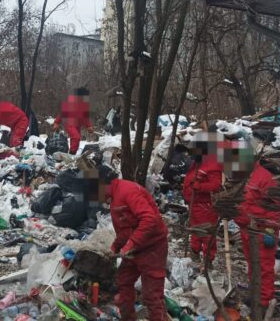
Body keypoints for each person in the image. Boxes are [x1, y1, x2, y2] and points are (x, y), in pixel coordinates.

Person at [99, 164, 168, 321]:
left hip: (153, 247)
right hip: (135, 248)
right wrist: (115, 246)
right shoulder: (115, 196)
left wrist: (131, 244)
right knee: (123, 281)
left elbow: (149, 219)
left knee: (151, 295)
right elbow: (126, 227)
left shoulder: (127, 192)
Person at [234, 156, 280, 311]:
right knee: (252, 264)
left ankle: (264, 302)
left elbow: (276, 208)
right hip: (247, 230)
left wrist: (270, 231)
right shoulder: (245, 176)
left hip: (262, 231)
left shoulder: (266, 178)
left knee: (263, 267)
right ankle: (255, 293)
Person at [182, 133, 223, 265]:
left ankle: (207, 260)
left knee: (207, 233)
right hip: (194, 204)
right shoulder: (198, 162)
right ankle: (194, 253)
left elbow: (216, 185)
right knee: (195, 230)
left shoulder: (212, 164)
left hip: (205, 206)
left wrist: (199, 186)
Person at [53, 88, 94, 154]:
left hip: (78, 125)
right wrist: (56, 122)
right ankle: (72, 153)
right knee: (76, 137)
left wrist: (89, 126)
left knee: (76, 140)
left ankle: (72, 154)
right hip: (69, 123)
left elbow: (85, 117)